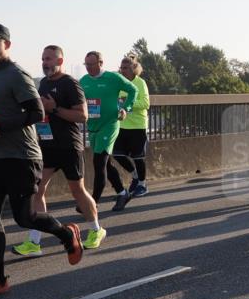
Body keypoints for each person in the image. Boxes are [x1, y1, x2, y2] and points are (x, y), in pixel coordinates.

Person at [0, 24, 82, 299]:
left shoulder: (17, 74)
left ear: (6, 44)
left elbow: (36, 112)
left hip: (21, 157)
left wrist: (0, 126)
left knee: (25, 217)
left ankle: (67, 234)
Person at [12, 45, 104, 257]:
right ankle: (34, 242)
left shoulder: (70, 83)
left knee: (77, 191)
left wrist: (54, 108)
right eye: (43, 59)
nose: (45, 63)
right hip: (47, 145)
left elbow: (82, 116)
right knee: (37, 190)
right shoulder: (43, 83)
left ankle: (96, 230)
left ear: (60, 61)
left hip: (69, 146)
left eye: (49, 59)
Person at [80, 51, 138, 206]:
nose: (88, 67)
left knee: (99, 162)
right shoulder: (83, 81)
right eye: (86, 64)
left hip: (110, 125)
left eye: (91, 64)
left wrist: (126, 108)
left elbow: (133, 90)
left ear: (100, 63)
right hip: (93, 127)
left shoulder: (113, 78)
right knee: (106, 163)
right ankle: (122, 193)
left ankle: (92, 202)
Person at [108, 54, 152, 210]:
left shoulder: (140, 83)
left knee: (138, 157)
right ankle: (135, 176)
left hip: (138, 125)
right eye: (121, 68)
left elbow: (145, 103)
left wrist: (127, 103)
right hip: (121, 125)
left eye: (126, 68)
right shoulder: (119, 83)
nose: (122, 70)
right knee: (117, 154)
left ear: (134, 68)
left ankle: (142, 185)